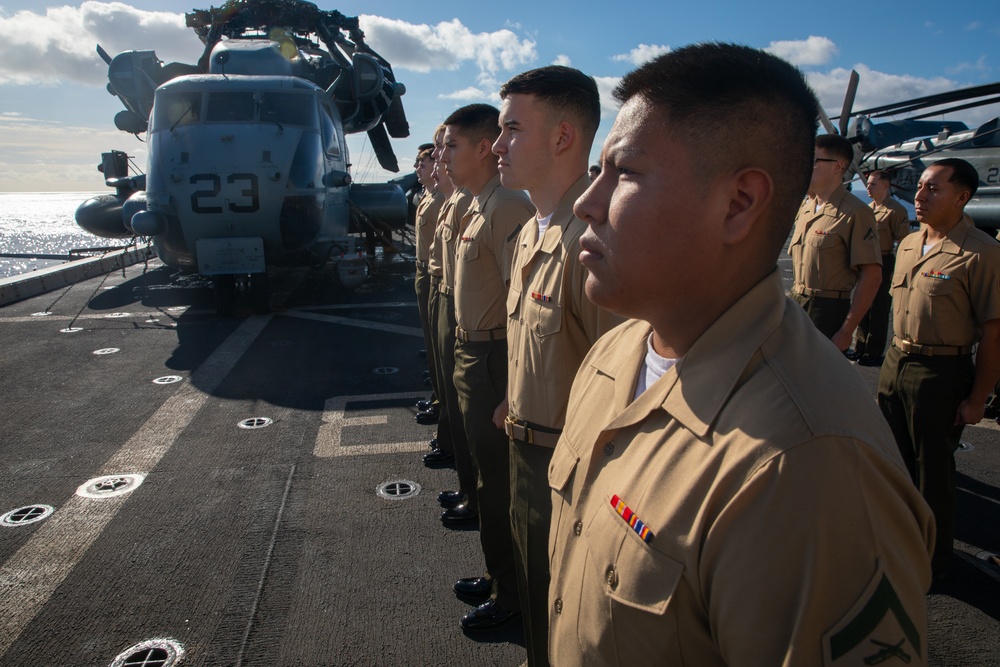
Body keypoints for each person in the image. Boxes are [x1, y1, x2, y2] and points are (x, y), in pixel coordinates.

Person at [548, 43, 935, 665]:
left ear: (739, 204)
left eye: (625, 173)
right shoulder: (612, 354)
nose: (586, 203)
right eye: (597, 173)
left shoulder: (808, 470)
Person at [491, 66, 623, 666]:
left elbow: (624, 389)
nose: (498, 146)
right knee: (538, 598)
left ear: (564, 137)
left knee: (571, 614)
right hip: (525, 451)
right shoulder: (530, 234)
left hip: (572, 470)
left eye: (512, 129)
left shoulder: (593, 242)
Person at [877, 158, 1000, 580]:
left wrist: (977, 399)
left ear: (962, 197)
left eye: (934, 188)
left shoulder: (981, 252)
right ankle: (894, 544)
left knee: (933, 474)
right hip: (896, 362)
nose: (920, 195)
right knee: (892, 463)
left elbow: (993, 332)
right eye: (921, 187)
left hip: (940, 372)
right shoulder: (911, 242)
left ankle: (931, 564)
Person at [440, 103, 535, 632]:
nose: (445, 156)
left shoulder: (504, 209)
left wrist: (512, 388)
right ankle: (499, 575)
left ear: (481, 148)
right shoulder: (479, 205)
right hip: (473, 350)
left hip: (497, 357)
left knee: (500, 485)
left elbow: (521, 308)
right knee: (484, 474)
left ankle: (513, 595)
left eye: (453, 145)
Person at [789, 134, 882, 351]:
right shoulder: (806, 208)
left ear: (837, 166)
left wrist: (846, 330)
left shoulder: (856, 212)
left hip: (827, 310)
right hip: (795, 304)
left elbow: (872, 275)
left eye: (813, 161)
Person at [853, 169, 911, 366]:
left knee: (878, 309)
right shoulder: (868, 209)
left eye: (872, 184)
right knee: (862, 305)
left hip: (884, 261)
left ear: (885, 186)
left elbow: (903, 243)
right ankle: (861, 347)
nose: (868, 187)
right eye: (868, 184)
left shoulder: (896, 211)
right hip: (865, 261)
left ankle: (874, 351)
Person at [412, 144, 446, 426]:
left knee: (438, 344)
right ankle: (437, 395)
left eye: (422, 164)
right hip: (425, 271)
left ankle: (440, 399)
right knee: (431, 340)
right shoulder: (429, 198)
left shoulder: (438, 201)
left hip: (435, 274)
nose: (419, 170)